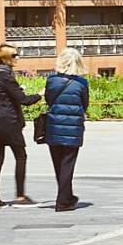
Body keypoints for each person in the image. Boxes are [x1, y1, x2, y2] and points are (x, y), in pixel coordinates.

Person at [0, 42, 40, 207]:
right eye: (15, 55)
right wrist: (41, 94)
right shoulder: (6, 76)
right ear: (6, 58)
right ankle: (20, 197)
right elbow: (24, 101)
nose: (18, 58)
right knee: (21, 156)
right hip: (8, 122)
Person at [42, 47, 90, 212]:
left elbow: (48, 100)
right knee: (68, 165)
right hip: (73, 129)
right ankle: (62, 201)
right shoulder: (82, 83)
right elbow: (85, 105)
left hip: (54, 127)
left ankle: (67, 197)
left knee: (59, 166)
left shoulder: (51, 80)